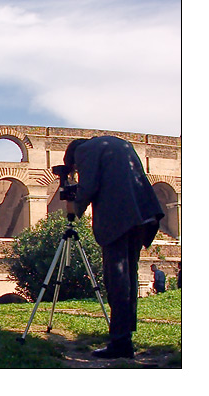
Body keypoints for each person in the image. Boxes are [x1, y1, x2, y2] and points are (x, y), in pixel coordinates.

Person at [64, 136, 164, 359]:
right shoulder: (115, 144)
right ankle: (125, 337)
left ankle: (120, 342)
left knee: (116, 279)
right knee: (128, 278)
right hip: (143, 215)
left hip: (119, 218)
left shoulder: (86, 150)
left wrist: (73, 207)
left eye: (75, 167)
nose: (77, 169)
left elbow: (88, 187)